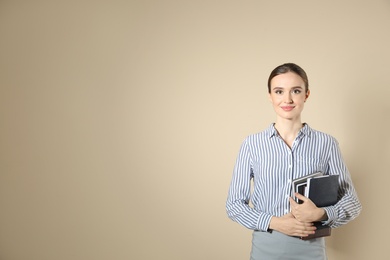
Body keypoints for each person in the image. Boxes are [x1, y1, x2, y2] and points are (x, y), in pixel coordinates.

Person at [226, 63, 362, 259]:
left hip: (311, 250)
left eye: (296, 91)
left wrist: (321, 214)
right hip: (265, 250)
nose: (287, 99)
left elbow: (352, 202)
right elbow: (234, 205)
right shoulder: (251, 144)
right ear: (270, 96)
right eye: (279, 91)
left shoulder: (326, 144)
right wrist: (275, 222)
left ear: (306, 94)